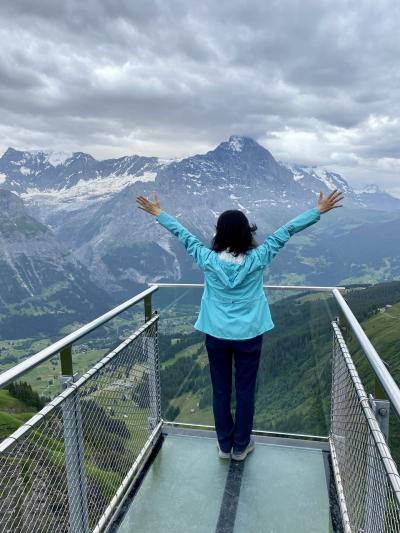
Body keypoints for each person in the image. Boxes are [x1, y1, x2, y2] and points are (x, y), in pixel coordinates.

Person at [136, 189, 344, 461]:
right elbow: (287, 230)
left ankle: (224, 445)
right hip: (249, 335)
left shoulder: (206, 259)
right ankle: (241, 447)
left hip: (217, 334)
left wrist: (158, 213)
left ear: (218, 234)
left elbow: (182, 234)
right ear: (248, 232)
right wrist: (317, 211)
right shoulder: (259, 257)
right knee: (245, 391)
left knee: (221, 390)